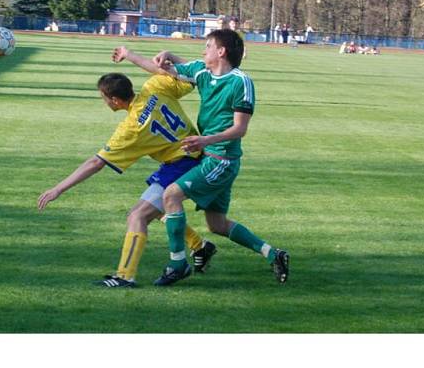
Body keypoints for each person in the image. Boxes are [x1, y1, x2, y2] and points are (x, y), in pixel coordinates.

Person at [114, 30, 289, 286]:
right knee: (216, 224)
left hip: (221, 159)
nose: (202, 51)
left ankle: (177, 263)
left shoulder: (241, 82)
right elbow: (163, 70)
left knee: (171, 195)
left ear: (221, 52)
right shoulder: (203, 72)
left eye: (207, 46)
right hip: (210, 155)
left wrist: (205, 140)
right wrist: (136, 55)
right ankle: (274, 254)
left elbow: (240, 129)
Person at [37, 71, 217, 288]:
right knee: (156, 209)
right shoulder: (154, 87)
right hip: (193, 155)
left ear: (114, 100)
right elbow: (190, 77)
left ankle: (125, 276)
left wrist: (58, 189)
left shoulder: (130, 129)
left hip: (183, 164)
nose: (103, 102)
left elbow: (96, 163)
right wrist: (160, 59)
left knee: (137, 215)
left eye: (103, 98)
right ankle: (199, 245)